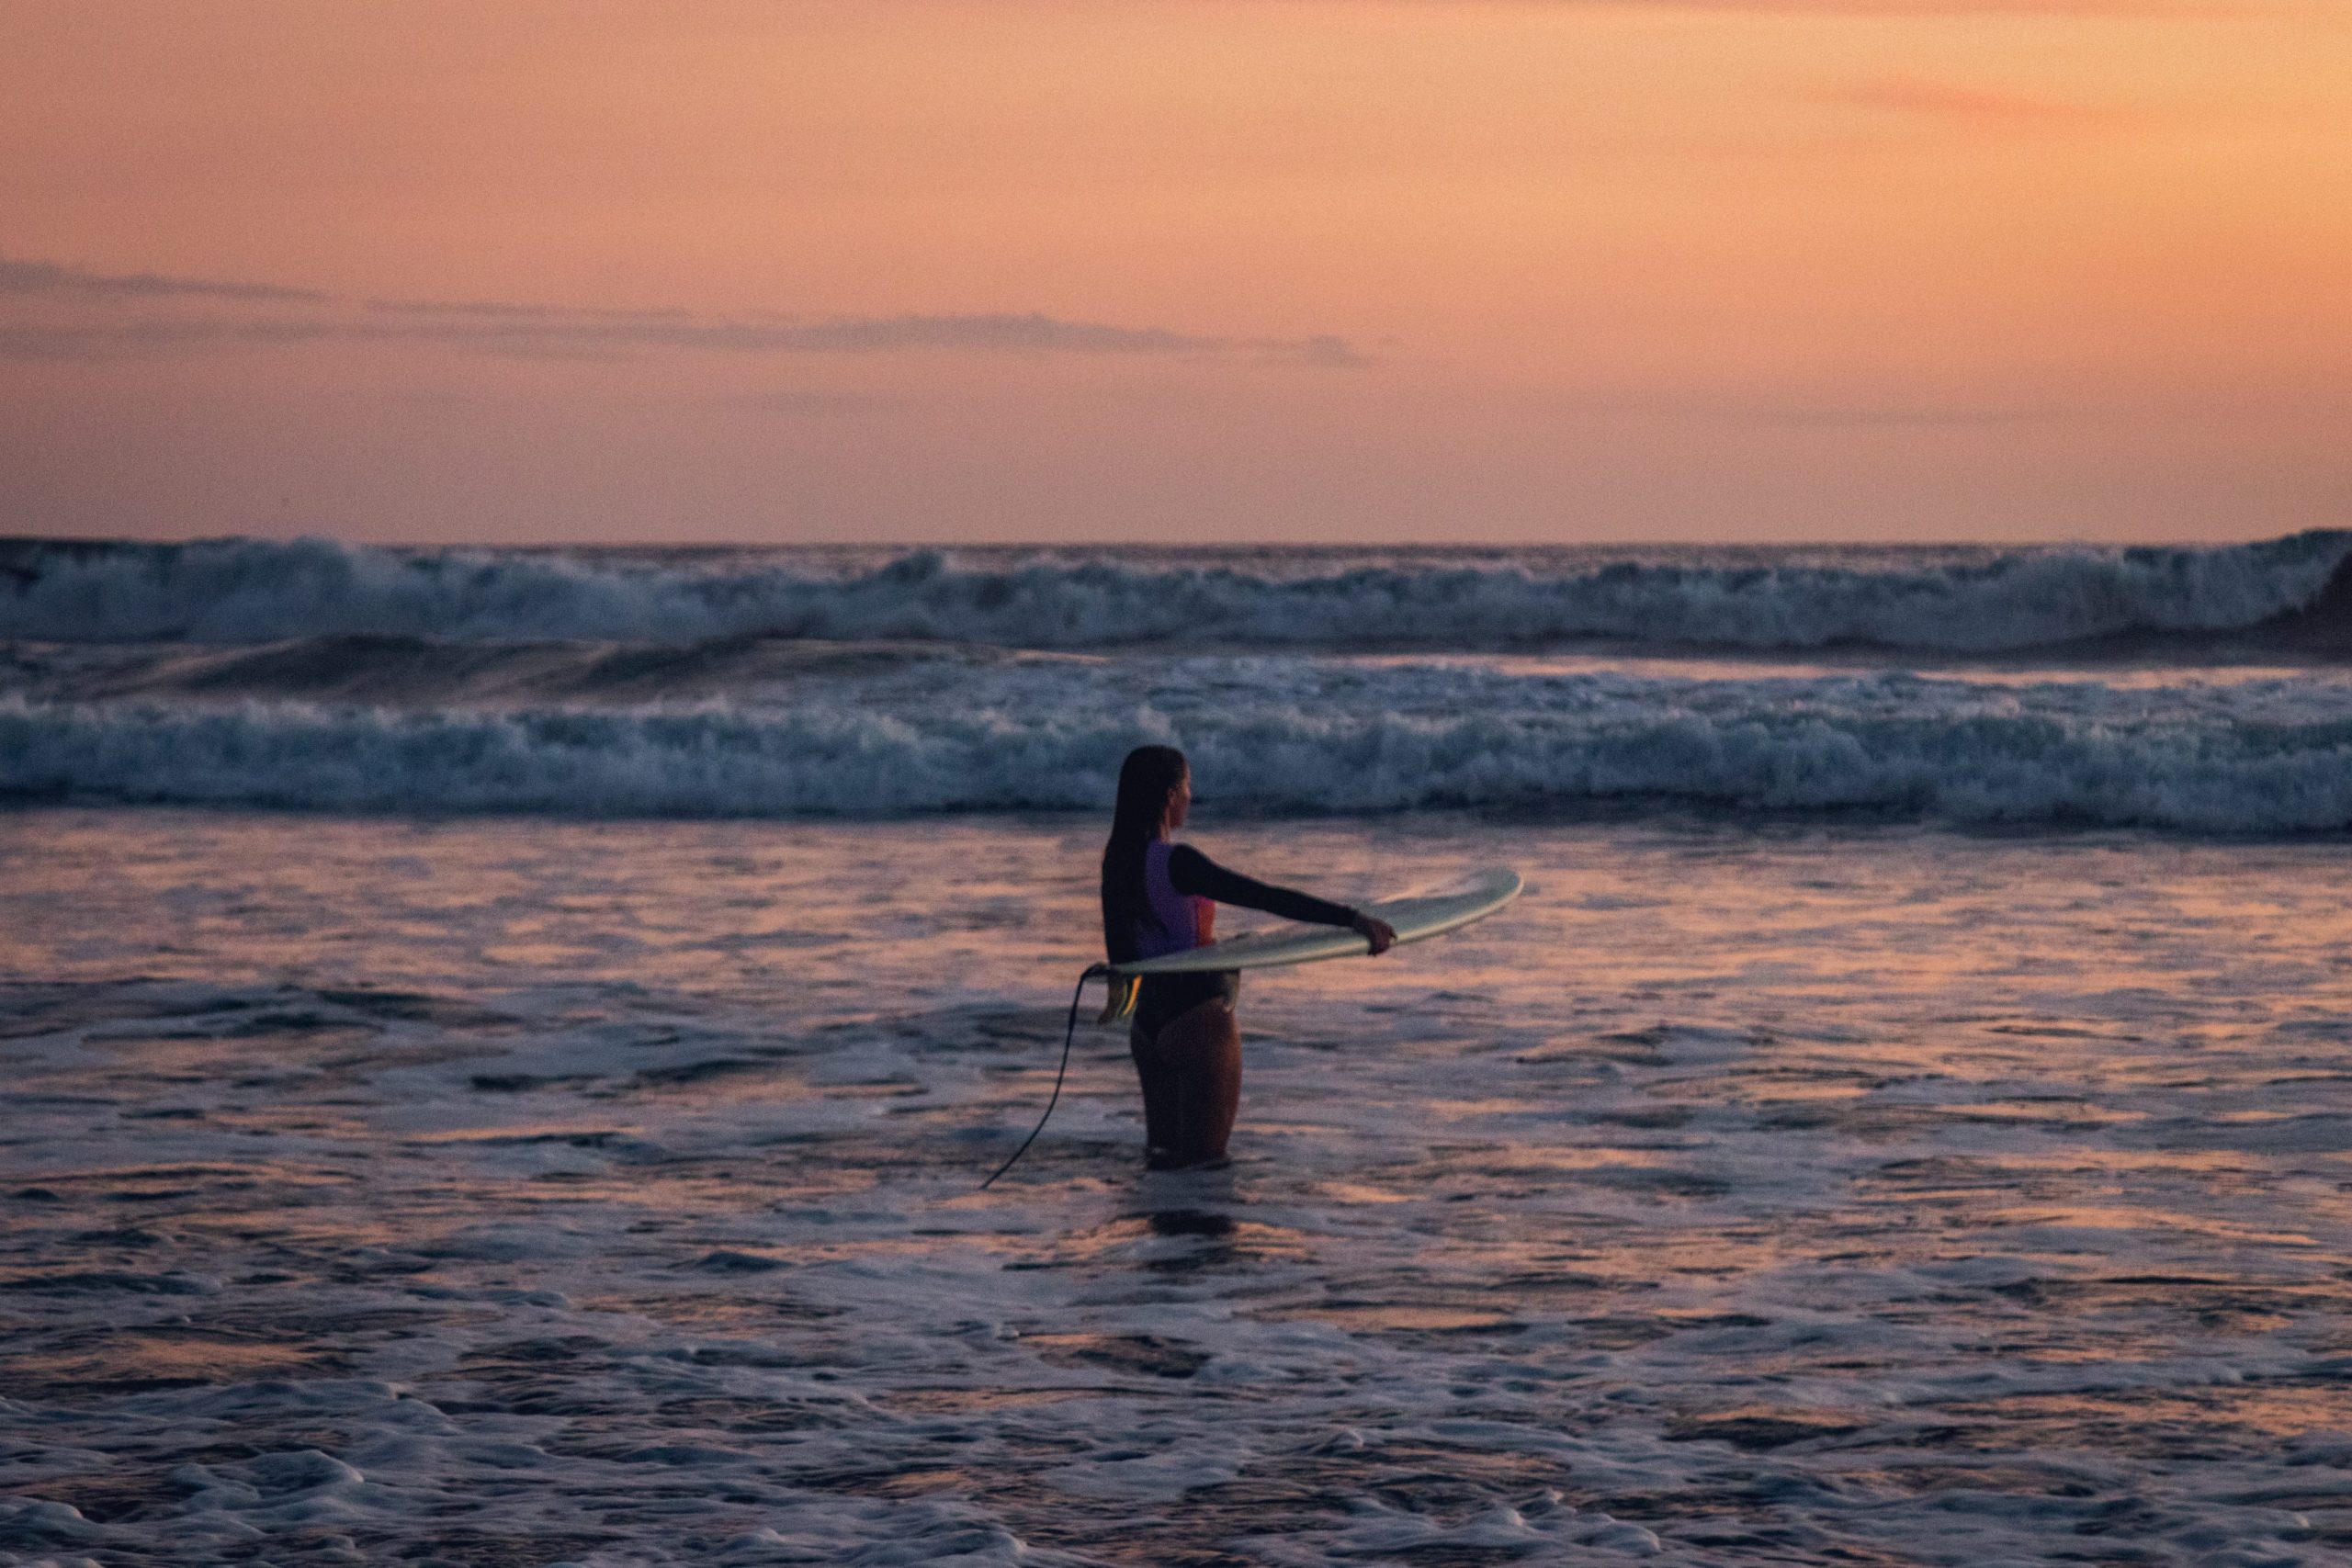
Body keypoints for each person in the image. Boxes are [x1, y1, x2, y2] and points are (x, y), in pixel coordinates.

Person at [1101, 745, 1396, 1170]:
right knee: (1206, 1172)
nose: (1190, 798)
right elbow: (1260, 895)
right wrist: (1351, 919)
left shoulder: (1118, 863)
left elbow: (1127, 956)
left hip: (1148, 1028)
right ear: (1169, 797)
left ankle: (1160, 1238)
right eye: (1187, 788)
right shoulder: (1177, 862)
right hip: (1198, 1021)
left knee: (1163, 1167)